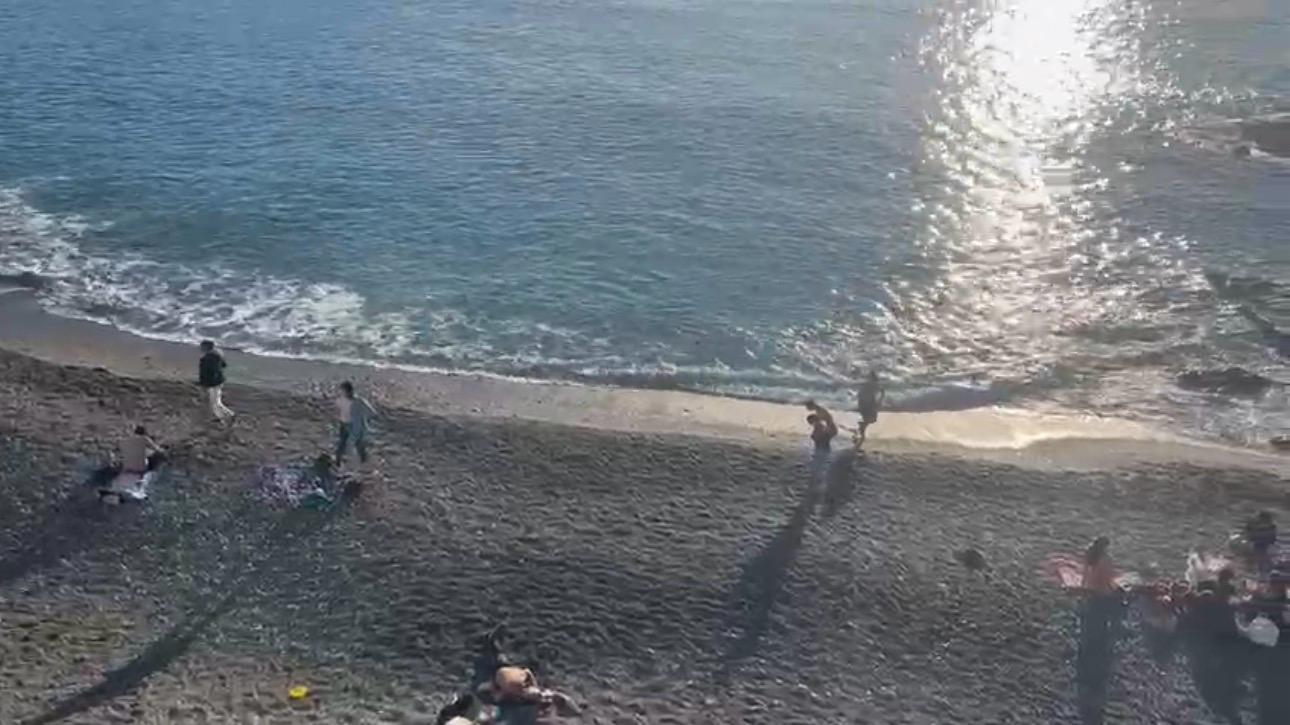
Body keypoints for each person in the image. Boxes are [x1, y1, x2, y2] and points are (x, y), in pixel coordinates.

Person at [335, 381, 377, 467]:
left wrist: (365, 420)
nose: (341, 392)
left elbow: (371, 412)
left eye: (343, 391)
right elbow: (338, 411)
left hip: (354, 425)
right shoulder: (340, 400)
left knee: (358, 444)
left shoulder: (359, 401)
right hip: (343, 424)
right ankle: (337, 462)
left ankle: (363, 460)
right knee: (342, 444)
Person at [198, 340, 234, 423]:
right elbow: (224, 365)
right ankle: (220, 416)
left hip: (213, 383)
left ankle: (229, 415)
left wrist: (203, 384)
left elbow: (205, 373)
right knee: (215, 401)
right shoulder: (219, 354)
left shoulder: (207, 358)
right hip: (219, 380)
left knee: (215, 403)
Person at [855, 371, 885, 448]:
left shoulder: (868, 384)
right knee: (871, 419)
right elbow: (882, 392)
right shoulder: (874, 384)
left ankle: (861, 429)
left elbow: (859, 394)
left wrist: (878, 402)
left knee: (870, 419)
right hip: (867, 404)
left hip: (866, 403)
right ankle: (862, 434)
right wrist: (879, 402)